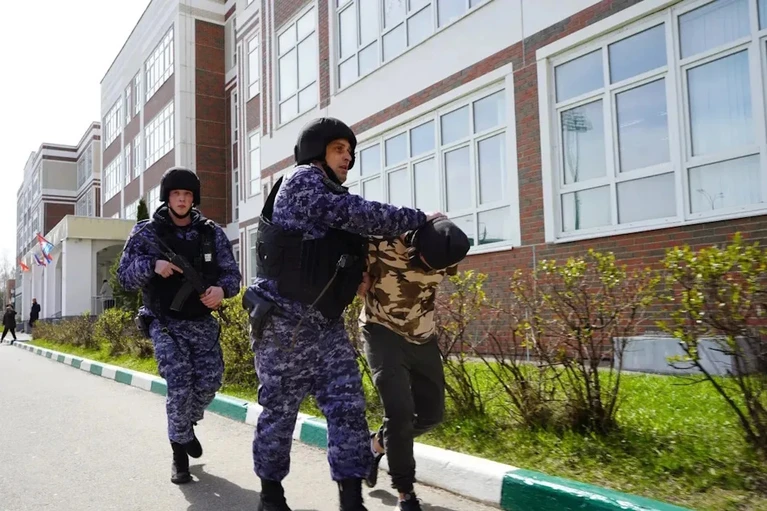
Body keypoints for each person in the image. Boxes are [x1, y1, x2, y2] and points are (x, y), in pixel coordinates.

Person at [243, 117, 444, 511]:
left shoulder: (331, 199)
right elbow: (359, 214)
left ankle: (352, 499)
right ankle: (271, 495)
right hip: (285, 326)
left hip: (326, 328)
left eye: (350, 152)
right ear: (316, 151)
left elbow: (336, 253)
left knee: (349, 409)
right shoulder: (302, 180)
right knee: (280, 413)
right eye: (339, 149)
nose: (347, 158)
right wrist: (419, 218)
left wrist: (356, 277)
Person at [116, 167, 242, 485]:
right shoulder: (146, 233)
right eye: (176, 194)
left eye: (187, 194)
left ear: (194, 198)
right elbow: (124, 277)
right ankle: (179, 457)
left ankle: (184, 427)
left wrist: (221, 291)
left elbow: (232, 276)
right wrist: (152, 265)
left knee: (211, 381)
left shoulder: (211, 233)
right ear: (167, 197)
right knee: (180, 383)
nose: (182, 200)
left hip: (201, 321)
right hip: (164, 322)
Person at [358, 218, 470, 510]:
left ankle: (375, 445)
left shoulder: (447, 249)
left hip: (422, 336)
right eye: (423, 263)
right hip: (382, 331)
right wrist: (357, 279)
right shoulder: (380, 243)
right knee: (399, 413)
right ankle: (405, 493)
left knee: (432, 414)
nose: (429, 271)